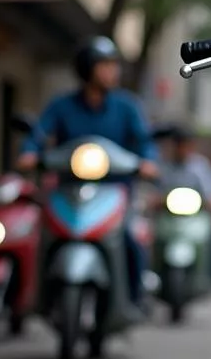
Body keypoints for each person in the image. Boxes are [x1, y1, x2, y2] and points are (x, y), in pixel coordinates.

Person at [16, 36, 159, 313]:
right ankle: (37, 297)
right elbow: (39, 135)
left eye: (113, 65)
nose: (112, 71)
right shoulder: (61, 106)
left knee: (131, 238)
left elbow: (145, 143)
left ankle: (135, 295)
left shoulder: (127, 107)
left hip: (115, 193)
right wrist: (29, 152)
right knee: (44, 236)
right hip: (69, 191)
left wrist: (148, 162)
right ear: (86, 69)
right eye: (104, 65)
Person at [160, 126, 211, 212]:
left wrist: (209, 202)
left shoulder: (200, 166)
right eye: (179, 145)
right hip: (168, 219)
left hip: (196, 218)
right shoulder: (165, 167)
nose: (182, 149)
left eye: (185, 145)